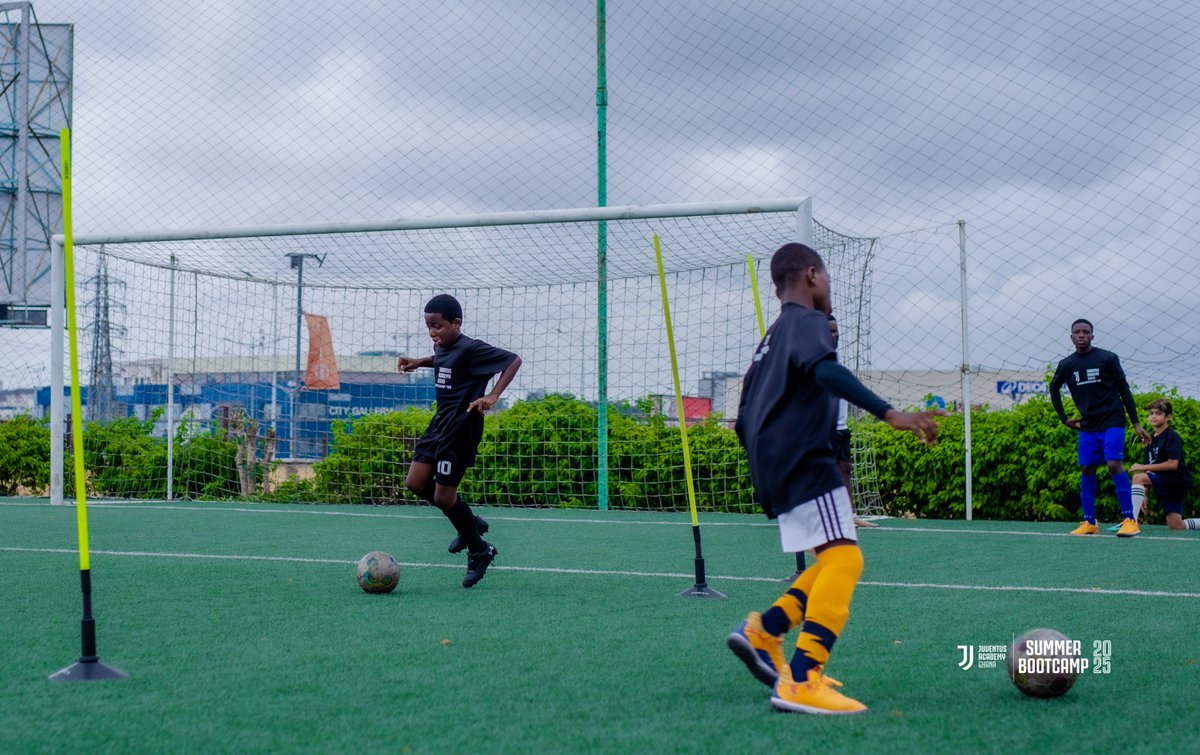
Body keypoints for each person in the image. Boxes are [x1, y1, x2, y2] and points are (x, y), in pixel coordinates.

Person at [727, 243, 941, 715]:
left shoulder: (772, 336)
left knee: (831, 559)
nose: (828, 288)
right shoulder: (806, 323)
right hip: (804, 459)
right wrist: (891, 414)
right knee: (845, 561)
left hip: (776, 463)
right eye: (826, 278)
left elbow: (743, 414)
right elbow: (826, 370)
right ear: (811, 275)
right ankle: (803, 679)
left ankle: (765, 631)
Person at [397, 294, 522, 588]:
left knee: (443, 498)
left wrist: (492, 396)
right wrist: (420, 362)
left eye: (437, 326)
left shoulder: (471, 348)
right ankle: (470, 524)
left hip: (461, 429)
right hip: (439, 424)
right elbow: (443, 361)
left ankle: (480, 550)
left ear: (456, 323)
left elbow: (513, 360)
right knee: (414, 483)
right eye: (428, 326)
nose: (432, 332)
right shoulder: (442, 346)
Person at [1048, 319, 1150, 537]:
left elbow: (1124, 390)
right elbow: (1053, 388)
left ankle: (1130, 520)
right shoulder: (1067, 364)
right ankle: (1090, 522)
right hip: (1088, 424)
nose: (1082, 335)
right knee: (1087, 468)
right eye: (1077, 332)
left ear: (1092, 336)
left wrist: (1136, 423)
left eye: (1086, 332)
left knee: (1114, 463)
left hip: (1112, 420)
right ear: (1071, 337)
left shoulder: (1108, 358)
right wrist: (1064, 418)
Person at [827, 314, 877, 530]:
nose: (834, 334)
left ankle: (849, 515)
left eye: (836, 330)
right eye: (829, 330)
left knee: (845, 468)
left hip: (840, 426)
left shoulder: (835, 357)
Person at [1129, 398, 1198, 530]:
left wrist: (1143, 467)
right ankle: (1131, 521)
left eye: (1158, 413)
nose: (1153, 416)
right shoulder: (1150, 440)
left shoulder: (1172, 436)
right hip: (1161, 480)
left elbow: (1173, 464)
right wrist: (1144, 494)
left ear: (1168, 417)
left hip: (1175, 480)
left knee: (1137, 477)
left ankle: (1131, 522)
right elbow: (1149, 471)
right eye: (1151, 413)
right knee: (1176, 525)